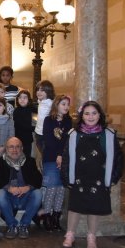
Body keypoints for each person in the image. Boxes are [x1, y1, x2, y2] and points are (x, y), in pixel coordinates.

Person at [61, 101, 123, 248]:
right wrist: (66, 176)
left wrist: (113, 177)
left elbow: (118, 158)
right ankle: (70, 234)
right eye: (87, 113)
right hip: (78, 177)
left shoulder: (108, 134)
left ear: (100, 115)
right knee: (75, 206)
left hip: (99, 178)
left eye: (94, 113)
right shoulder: (74, 134)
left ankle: (91, 236)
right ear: (82, 116)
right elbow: (67, 157)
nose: (90, 116)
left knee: (94, 208)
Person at [0, 137, 42, 239]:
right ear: (6, 149)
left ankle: (24, 225)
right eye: (11, 147)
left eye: (17, 147)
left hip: (25, 197)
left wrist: (28, 187)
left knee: (38, 194)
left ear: (22, 148)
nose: (14, 150)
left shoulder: (30, 161)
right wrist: (8, 188)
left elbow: (38, 180)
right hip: (9, 198)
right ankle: (12, 225)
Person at [41, 95, 72, 232]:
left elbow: (67, 140)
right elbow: (48, 140)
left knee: (61, 189)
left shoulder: (68, 121)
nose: (66, 107)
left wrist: (61, 155)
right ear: (56, 105)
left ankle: (56, 218)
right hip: (50, 158)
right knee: (51, 188)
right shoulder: (48, 120)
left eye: (68, 105)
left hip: (64, 158)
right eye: (63, 104)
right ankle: (47, 218)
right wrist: (57, 155)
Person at [34, 80, 55, 155]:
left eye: (42, 90)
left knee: (45, 154)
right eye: (38, 90)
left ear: (48, 91)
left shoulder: (50, 103)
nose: (39, 92)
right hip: (38, 132)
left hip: (45, 134)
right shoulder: (41, 101)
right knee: (41, 154)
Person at [13, 90, 34, 158]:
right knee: (18, 157)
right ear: (17, 99)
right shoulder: (16, 111)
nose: (22, 99)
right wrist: (35, 128)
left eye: (25, 98)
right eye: (20, 97)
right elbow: (21, 126)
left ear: (28, 100)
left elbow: (39, 108)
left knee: (27, 157)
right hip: (18, 139)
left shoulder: (29, 108)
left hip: (28, 140)